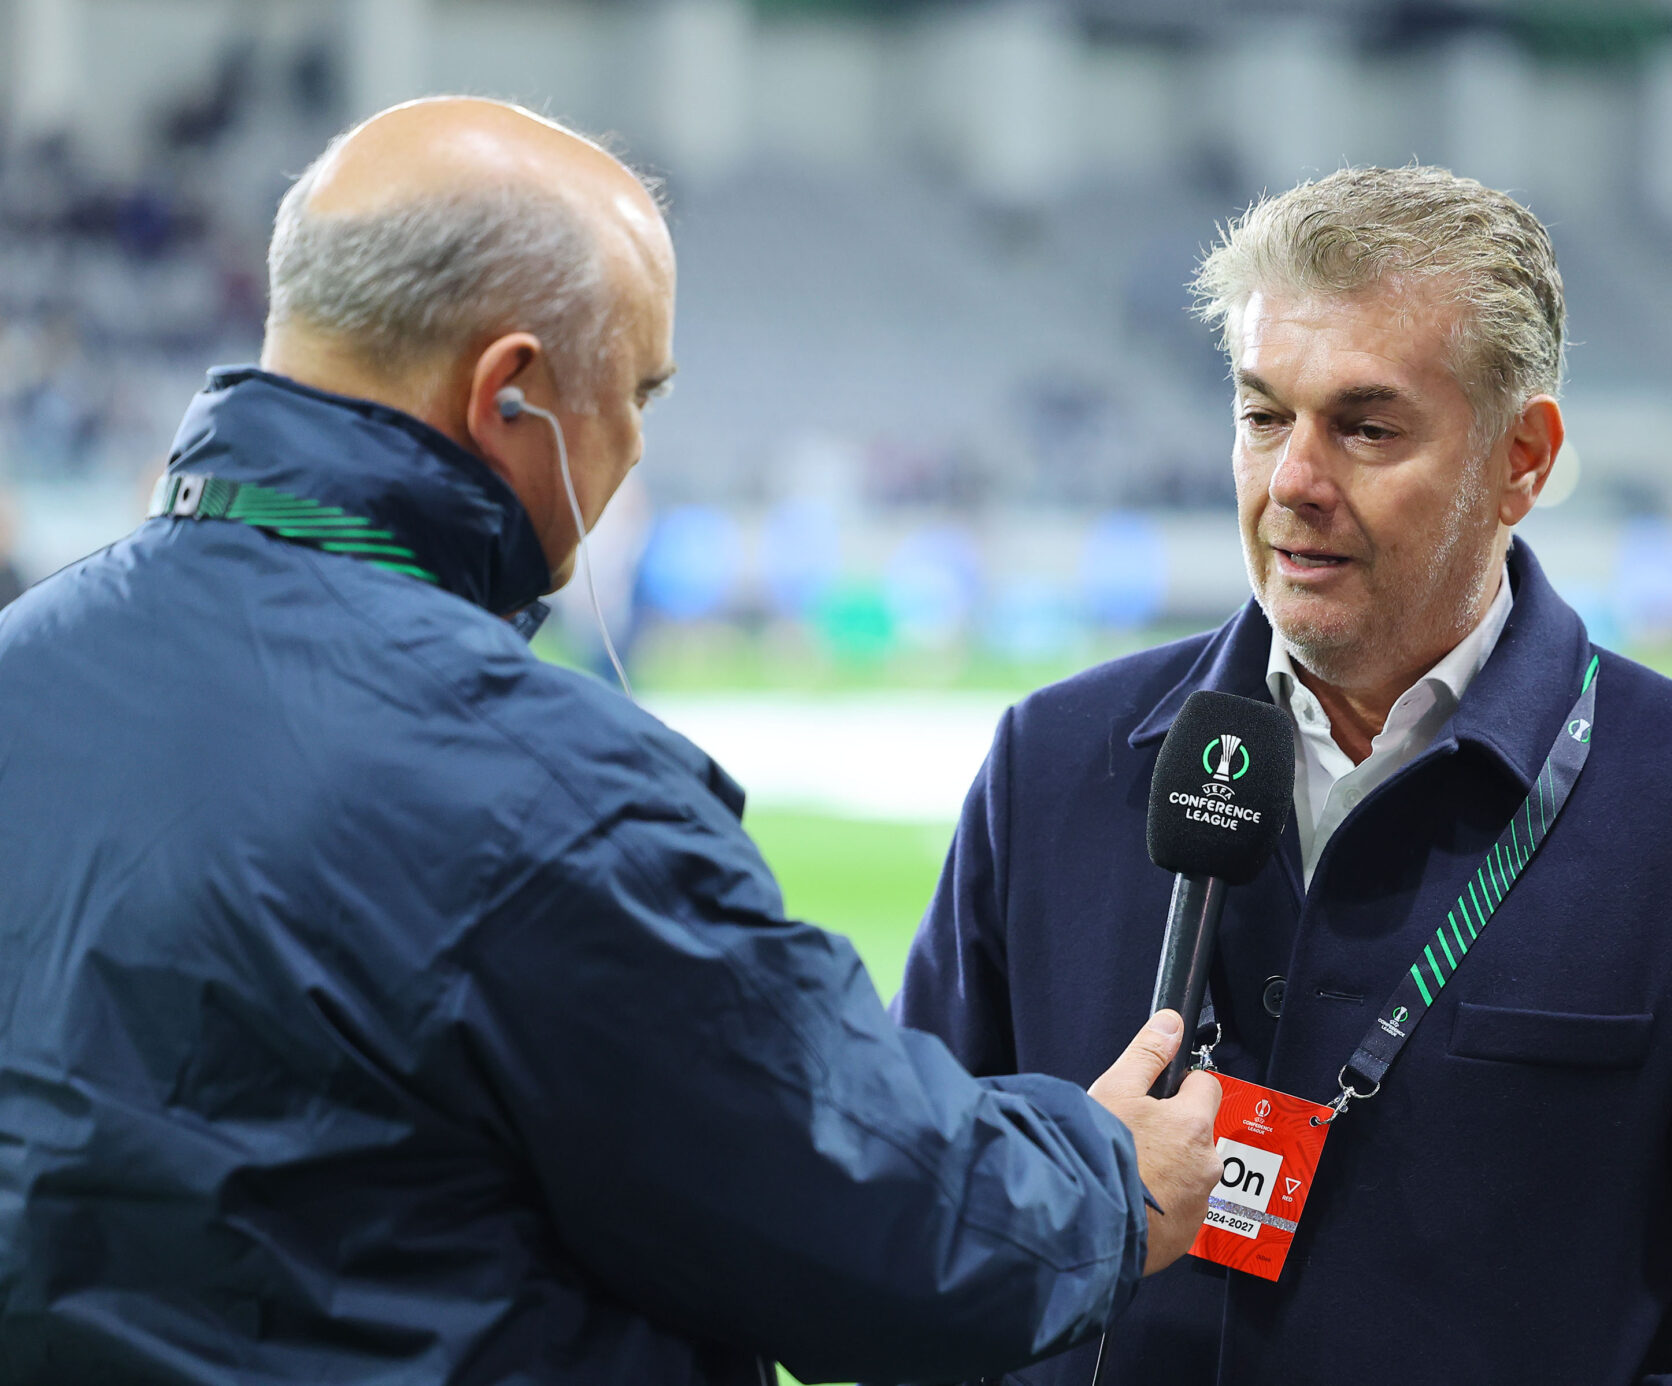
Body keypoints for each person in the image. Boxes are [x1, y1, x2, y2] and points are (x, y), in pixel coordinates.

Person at [0, 98, 1225, 1386]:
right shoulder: (537, 784)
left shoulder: (27, 658)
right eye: (634, 394)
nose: (635, 447)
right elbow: (868, 1227)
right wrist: (1106, 1182)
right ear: (508, 393)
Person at [895, 166, 1672, 1386]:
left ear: (1520, 460)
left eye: (1365, 428)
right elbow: (907, 1211)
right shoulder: (1051, 765)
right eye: (1262, 416)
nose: (1293, 480)